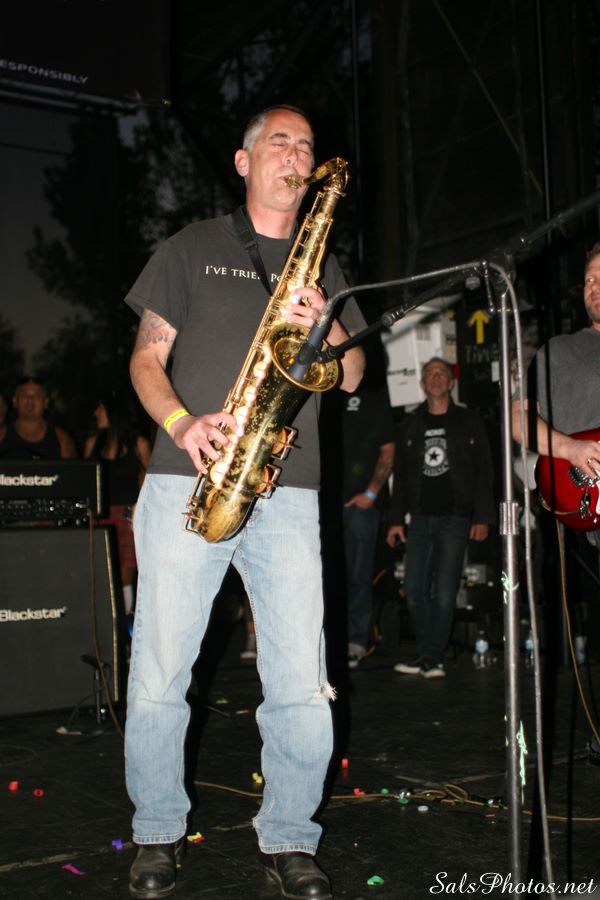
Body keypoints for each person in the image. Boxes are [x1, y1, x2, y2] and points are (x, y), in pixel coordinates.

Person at [123, 105, 365, 900]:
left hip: (287, 489)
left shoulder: (324, 265)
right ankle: (156, 830)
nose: (296, 155)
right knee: (162, 671)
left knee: (300, 679)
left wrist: (325, 328)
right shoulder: (191, 247)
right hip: (187, 476)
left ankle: (291, 836)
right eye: (280, 143)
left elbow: (354, 376)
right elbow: (146, 359)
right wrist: (182, 423)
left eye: (306, 146)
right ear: (243, 159)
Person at [512, 242, 600, 767]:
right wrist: (569, 448)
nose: (593, 286)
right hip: (583, 500)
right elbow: (519, 419)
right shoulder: (559, 351)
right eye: (588, 279)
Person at [386, 357, 494, 678]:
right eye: (430, 374)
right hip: (419, 519)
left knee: (444, 593)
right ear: (422, 384)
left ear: (451, 382)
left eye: (442, 374)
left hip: (455, 518)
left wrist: (482, 517)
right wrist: (395, 520)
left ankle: (431, 658)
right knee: (414, 590)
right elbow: (400, 477)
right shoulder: (409, 425)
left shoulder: (469, 421)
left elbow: (484, 472)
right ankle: (427, 655)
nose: (436, 378)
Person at [342, 379, 395, 668]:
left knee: (358, 577)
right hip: (322, 506)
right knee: (321, 577)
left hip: (359, 506)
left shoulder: (372, 397)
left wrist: (371, 493)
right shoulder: (324, 393)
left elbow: (388, 449)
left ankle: (356, 641)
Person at [84, 393, 151, 614]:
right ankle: (107, 617)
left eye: (101, 408)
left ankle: (124, 620)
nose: (96, 413)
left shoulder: (138, 444)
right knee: (102, 570)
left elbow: (150, 483)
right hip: (100, 515)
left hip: (128, 514)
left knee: (125, 572)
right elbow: (85, 482)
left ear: (113, 412)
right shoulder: (94, 443)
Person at [0, 376, 77, 459]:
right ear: (15, 401)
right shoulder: (1, 435)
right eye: (24, 395)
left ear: (46, 402)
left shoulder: (62, 439)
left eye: (37, 396)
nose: (30, 400)